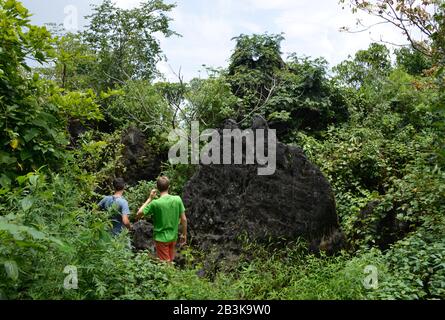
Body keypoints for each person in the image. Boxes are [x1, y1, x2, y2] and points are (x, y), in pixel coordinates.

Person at [136, 176, 187, 263]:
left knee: (165, 265)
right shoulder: (177, 199)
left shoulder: (155, 203)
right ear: (169, 187)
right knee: (170, 262)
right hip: (173, 237)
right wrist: (184, 234)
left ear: (158, 189)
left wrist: (150, 198)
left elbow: (139, 214)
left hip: (161, 239)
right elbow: (184, 219)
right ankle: (174, 275)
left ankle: (171, 276)